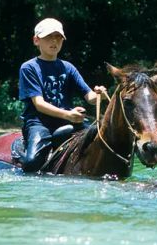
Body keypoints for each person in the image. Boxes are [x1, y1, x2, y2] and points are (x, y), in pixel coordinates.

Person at [13, 18, 107, 172]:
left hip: (66, 120)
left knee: (101, 138)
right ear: (36, 40)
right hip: (39, 123)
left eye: (58, 37)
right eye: (48, 37)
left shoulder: (68, 67)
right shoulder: (28, 68)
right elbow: (39, 104)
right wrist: (68, 115)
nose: (54, 41)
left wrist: (99, 94)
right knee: (32, 162)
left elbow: (89, 97)